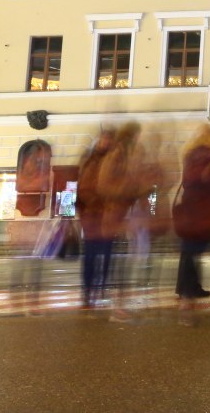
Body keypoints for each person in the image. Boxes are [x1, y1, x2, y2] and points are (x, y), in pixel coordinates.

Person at [174, 124, 210, 322]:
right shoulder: (206, 155)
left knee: (190, 250)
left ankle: (188, 287)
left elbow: (188, 181)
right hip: (200, 208)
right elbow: (204, 179)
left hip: (190, 206)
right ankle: (188, 291)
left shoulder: (189, 154)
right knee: (193, 250)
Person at [76, 125, 116, 308]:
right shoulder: (91, 160)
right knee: (91, 255)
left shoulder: (115, 161)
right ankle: (87, 290)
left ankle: (100, 287)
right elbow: (83, 187)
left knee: (107, 254)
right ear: (100, 140)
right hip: (93, 217)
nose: (107, 142)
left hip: (108, 218)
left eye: (110, 139)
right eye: (105, 139)